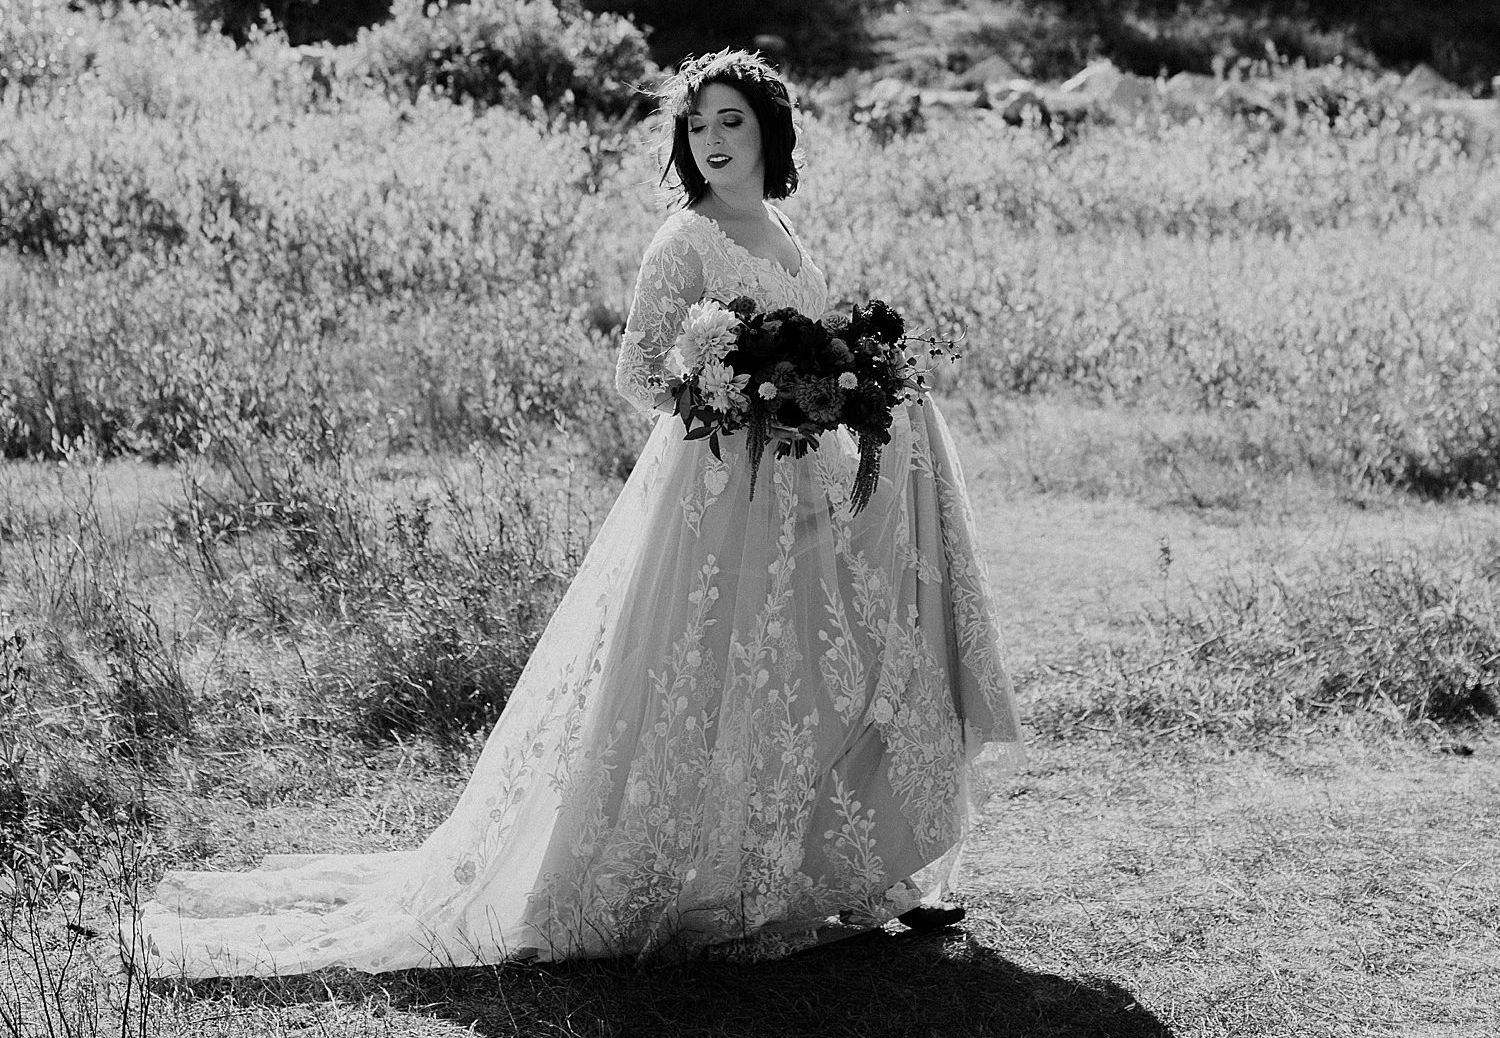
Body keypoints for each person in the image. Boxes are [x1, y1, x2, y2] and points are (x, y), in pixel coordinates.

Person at [143, 50, 1022, 976]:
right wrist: (730, 383)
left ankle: (819, 864)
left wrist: (830, 388)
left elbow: (807, 347)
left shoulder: (782, 231)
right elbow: (640, 372)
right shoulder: (682, 238)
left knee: (812, 667)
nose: (712, 141)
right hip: (713, 493)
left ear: (769, 128)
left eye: (729, 121)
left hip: (799, 484)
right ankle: (693, 870)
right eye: (697, 126)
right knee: (711, 669)